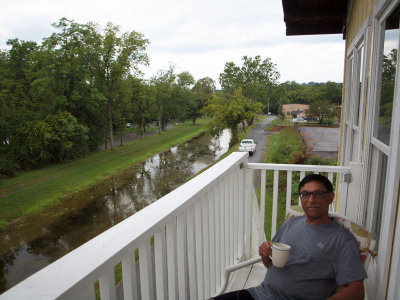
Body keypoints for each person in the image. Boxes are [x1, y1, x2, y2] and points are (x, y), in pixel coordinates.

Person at [211, 174, 367, 300]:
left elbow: (356, 290)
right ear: (301, 198)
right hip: (260, 294)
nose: (311, 200)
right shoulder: (291, 223)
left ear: (330, 197)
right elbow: (272, 265)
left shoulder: (342, 239)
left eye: (318, 194)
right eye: (306, 194)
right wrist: (264, 254)